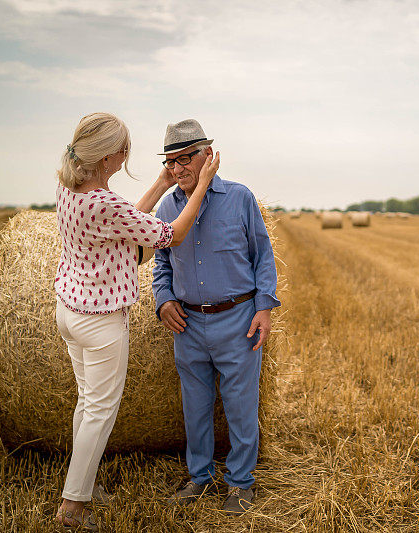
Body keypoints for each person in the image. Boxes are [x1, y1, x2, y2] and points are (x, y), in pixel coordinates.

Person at [53, 112, 219, 530]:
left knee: (86, 403)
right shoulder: (104, 203)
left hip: (69, 312)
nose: (127, 155)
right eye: (124, 149)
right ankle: (73, 507)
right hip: (101, 321)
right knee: (100, 411)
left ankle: (82, 483)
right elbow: (171, 234)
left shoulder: (69, 190)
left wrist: (163, 184)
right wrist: (200, 186)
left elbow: (126, 223)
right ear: (109, 157)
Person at [152, 119, 280, 515]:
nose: (178, 169)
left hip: (237, 320)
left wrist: (263, 307)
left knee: (241, 407)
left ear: (208, 155)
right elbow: (160, 261)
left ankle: (241, 483)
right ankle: (200, 477)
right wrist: (163, 298)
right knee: (195, 406)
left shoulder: (239, 198)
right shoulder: (167, 206)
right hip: (188, 324)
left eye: (185, 158)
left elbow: (263, 256)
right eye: (171, 162)